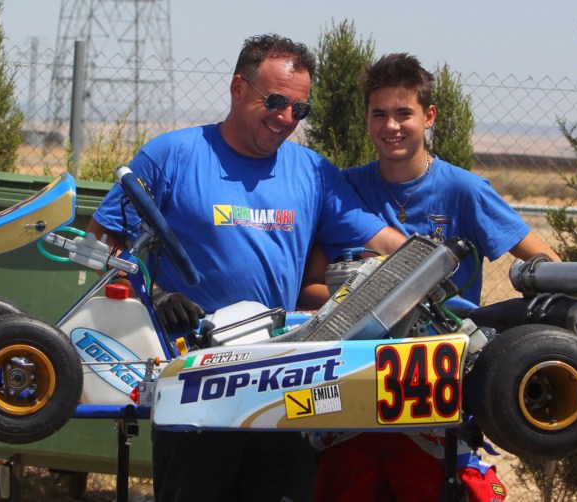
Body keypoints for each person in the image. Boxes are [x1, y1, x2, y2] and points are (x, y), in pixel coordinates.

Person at [87, 35, 406, 502]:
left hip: (284, 382)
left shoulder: (314, 172)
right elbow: (103, 242)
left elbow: (379, 238)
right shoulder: (171, 156)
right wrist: (152, 297)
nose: (286, 118)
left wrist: (432, 262)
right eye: (275, 101)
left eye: (299, 109)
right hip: (194, 381)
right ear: (238, 88)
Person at [306, 53, 560, 502]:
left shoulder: (463, 190)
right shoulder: (345, 189)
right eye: (379, 114)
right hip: (353, 388)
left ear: (429, 116)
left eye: (403, 113)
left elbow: (546, 261)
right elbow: (310, 288)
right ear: (366, 120)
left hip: (437, 392)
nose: (391, 126)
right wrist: (358, 310)